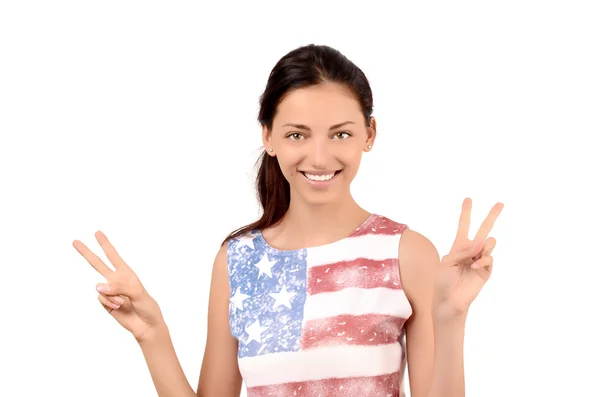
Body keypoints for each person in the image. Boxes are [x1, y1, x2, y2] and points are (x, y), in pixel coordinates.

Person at [73, 44, 503, 397]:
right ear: (269, 137)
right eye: (297, 134)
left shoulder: (406, 253)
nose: (319, 157)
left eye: (341, 133)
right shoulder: (237, 260)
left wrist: (450, 318)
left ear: (369, 135)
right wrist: (153, 334)